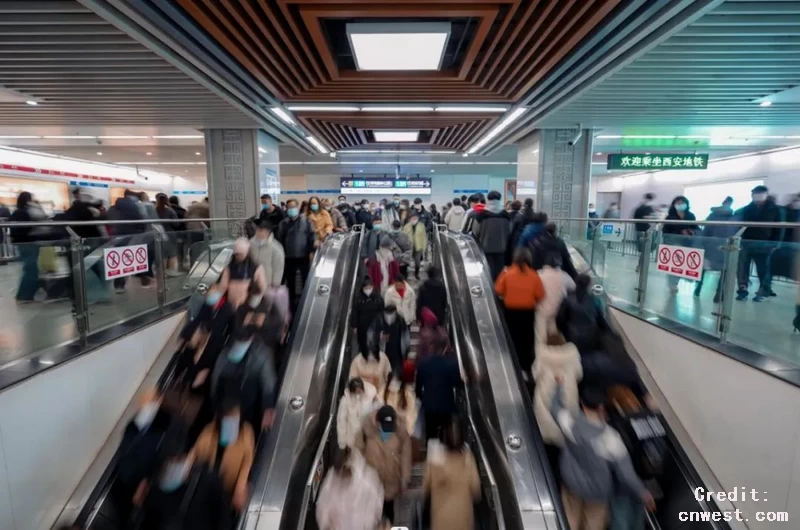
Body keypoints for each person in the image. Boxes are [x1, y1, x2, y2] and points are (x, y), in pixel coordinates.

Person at [550, 382, 655, 530]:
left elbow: (554, 406)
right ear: (601, 407)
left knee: (570, 517)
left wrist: (559, 386)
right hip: (597, 491)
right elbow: (626, 474)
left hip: (571, 482)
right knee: (594, 524)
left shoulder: (569, 421)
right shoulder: (610, 438)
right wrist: (643, 493)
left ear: (582, 403)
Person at [139, 428, 230, 530]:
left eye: (179, 459)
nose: (174, 465)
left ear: (189, 456)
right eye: (170, 461)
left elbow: (223, 519)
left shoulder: (208, 480)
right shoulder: (156, 488)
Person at [112, 389, 172, 523]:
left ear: (159, 402)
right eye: (142, 404)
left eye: (149, 402)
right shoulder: (133, 424)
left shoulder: (167, 425)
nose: (145, 407)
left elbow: (165, 456)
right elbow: (124, 450)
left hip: (149, 486)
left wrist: (146, 482)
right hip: (126, 481)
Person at [192, 392, 255, 512]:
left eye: (235, 416)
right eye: (229, 416)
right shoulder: (209, 431)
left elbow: (248, 459)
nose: (232, 420)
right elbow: (196, 452)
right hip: (211, 487)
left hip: (231, 487)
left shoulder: (246, 432)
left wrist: (240, 487)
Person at [533, 332, 582, 480]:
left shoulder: (543, 355)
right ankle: (562, 478)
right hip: (566, 415)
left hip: (545, 414)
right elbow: (579, 375)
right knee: (564, 451)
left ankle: (543, 477)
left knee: (544, 450)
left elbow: (535, 374)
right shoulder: (572, 355)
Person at [211, 322, 277, 432]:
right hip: (228, 402)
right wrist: (214, 404)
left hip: (249, 403)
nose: (240, 345)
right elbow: (216, 377)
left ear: (252, 338)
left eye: (244, 341)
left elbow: (268, 383)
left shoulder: (262, 354)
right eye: (238, 341)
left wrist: (268, 407)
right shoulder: (226, 351)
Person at [355, 405, 412, 526]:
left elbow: (406, 456)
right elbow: (357, 453)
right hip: (372, 481)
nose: (388, 430)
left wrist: (405, 480)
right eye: (385, 427)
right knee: (372, 513)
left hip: (391, 478)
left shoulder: (401, 431)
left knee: (389, 509)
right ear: (376, 422)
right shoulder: (365, 430)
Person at [423, 418, 481, 530]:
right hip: (463, 516)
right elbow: (475, 489)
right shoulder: (468, 458)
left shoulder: (434, 457)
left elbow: (426, 486)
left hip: (441, 516)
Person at [495, 248, 545, 375]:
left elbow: (498, 290)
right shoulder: (534, 275)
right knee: (526, 340)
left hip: (510, 312)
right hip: (528, 313)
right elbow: (540, 295)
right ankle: (525, 368)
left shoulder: (507, 273)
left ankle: (510, 364)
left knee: (511, 338)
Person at [315, 447, 384, 530]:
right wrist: (327, 525)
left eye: (345, 470)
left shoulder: (369, 481)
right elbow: (322, 507)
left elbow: (376, 508)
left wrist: (368, 524)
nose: (342, 474)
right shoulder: (331, 480)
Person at [736, 185, 782, 302]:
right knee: (742, 268)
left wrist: (775, 244)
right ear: (752, 195)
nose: (758, 196)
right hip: (746, 242)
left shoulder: (775, 209)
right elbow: (741, 225)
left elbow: (779, 228)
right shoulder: (746, 209)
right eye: (755, 193)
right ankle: (742, 290)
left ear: (766, 195)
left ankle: (763, 292)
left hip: (765, 243)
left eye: (761, 193)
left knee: (763, 269)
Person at [416, 333, 461, 441]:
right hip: (446, 407)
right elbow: (458, 383)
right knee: (447, 436)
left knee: (430, 436)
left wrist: (423, 399)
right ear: (445, 347)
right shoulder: (452, 364)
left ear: (433, 347)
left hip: (429, 407)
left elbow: (417, 387)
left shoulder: (423, 363)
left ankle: (431, 454)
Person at [106, 189, 152, 292]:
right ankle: (144, 281)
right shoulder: (135, 206)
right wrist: (141, 230)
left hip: (116, 235)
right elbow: (142, 220)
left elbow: (108, 219)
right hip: (133, 235)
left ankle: (119, 285)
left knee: (119, 260)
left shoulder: (113, 207)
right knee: (136, 259)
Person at [694, 197, 737, 301]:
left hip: (710, 244)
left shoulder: (712, 215)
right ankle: (719, 293)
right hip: (724, 245)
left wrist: (702, 244)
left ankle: (698, 288)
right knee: (724, 270)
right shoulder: (732, 216)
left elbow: (706, 230)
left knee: (704, 268)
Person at [557, 274, 608, 354]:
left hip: (572, 337)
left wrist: (564, 331)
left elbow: (560, 320)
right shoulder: (594, 301)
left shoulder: (568, 299)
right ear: (588, 286)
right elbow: (601, 322)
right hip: (590, 338)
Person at [278, 199, 315, 302]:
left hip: (304, 256)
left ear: (298, 208)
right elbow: (280, 239)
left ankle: (305, 301)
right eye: (289, 207)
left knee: (305, 280)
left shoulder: (307, 221)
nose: (291, 210)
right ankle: (291, 303)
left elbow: (312, 236)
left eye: (293, 207)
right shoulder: (283, 223)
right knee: (290, 282)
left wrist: (311, 251)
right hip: (289, 257)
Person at [519, 214, 579, 279]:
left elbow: (534, 257)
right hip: (557, 271)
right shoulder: (559, 242)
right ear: (555, 231)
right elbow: (566, 258)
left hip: (539, 271)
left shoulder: (537, 240)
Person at [472, 190, 512, 281]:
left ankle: (489, 293)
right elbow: (510, 232)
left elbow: (475, 232)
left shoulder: (481, 215)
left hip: (485, 249)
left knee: (487, 274)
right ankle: (498, 293)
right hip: (502, 249)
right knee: (500, 275)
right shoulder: (506, 215)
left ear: (488, 200)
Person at [663, 195, 699, 293]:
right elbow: (665, 231)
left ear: (686, 205)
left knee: (681, 265)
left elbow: (695, 228)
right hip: (673, 244)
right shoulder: (670, 217)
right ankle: (672, 283)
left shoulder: (691, 216)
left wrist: (691, 232)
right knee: (674, 264)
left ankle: (676, 281)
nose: (680, 205)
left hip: (686, 243)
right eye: (678, 203)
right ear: (674, 205)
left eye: (682, 203)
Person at [536, 251, 577, 337]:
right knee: (555, 334)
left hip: (541, 313)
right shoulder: (564, 276)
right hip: (559, 313)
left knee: (541, 335)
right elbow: (574, 288)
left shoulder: (538, 274)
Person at [218, 238, 266, 309]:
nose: (239, 257)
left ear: (247, 253)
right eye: (237, 254)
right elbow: (223, 286)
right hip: (231, 303)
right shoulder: (229, 267)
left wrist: (255, 303)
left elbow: (262, 286)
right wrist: (216, 299)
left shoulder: (256, 267)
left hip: (247, 304)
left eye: (241, 254)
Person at [367, 304, 411, 377]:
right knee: (383, 377)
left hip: (397, 355)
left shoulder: (400, 320)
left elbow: (406, 337)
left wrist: (406, 352)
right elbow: (370, 336)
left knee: (396, 378)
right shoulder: (378, 320)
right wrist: (379, 336)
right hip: (382, 354)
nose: (390, 316)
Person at [336, 377, 380, 449]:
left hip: (367, 436)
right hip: (353, 438)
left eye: (360, 391)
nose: (358, 394)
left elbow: (378, 410)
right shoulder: (345, 401)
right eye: (356, 392)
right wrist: (342, 441)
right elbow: (341, 421)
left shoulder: (370, 397)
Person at [352, 276, 384, 357]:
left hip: (375, 325)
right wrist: (355, 325)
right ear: (363, 288)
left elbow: (382, 311)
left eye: (370, 287)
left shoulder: (378, 298)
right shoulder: (359, 298)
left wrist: (382, 327)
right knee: (363, 344)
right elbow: (355, 312)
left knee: (374, 344)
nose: (368, 290)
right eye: (366, 288)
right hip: (362, 325)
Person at [249, 220, 285, 288]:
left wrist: (275, 285)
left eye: (261, 231)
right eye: (258, 230)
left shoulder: (276, 248)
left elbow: (278, 268)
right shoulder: (251, 243)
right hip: (252, 282)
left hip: (268, 283)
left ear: (268, 232)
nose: (259, 233)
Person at [382, 371, 417, 436]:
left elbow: (411, 413)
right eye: (392, 381)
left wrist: (408, 430)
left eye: (396, 381)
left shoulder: (407, 394)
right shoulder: (384, 392)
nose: (394, 384)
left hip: (403, 427)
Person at [155, 193, 182, 276]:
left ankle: (162, 274)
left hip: (158, 235)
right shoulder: (170, 210)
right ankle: (170, 272)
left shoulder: (154, 210)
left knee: (162, 256)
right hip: (170, 235)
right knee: (172, 255)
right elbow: (176, 224)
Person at [403, 210, 427, 279]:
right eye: (412, 218)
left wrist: (424, 248)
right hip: (409, 247)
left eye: (415, 218)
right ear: (410, 219)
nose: (414, 219)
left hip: (418, 247)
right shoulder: (406, 226)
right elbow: (404, 237)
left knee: (417, 263)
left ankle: (416, 273)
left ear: (417, 218)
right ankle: (405, 274)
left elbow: (424, 237)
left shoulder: (421, 226)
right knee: (406, 262)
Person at [186, 197, 210, 265]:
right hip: (202, 231)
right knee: (203, 250)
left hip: (191, 230)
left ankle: (192, 264)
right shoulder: (208, 207)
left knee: (193, 249)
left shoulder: (193, 206)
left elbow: (186, 216)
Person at [633, 193, 656, 259]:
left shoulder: (639, 207)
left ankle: (642, 250)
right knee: (646, 240)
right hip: (644, 226)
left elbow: (634, 217)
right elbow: (650, 216)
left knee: (640, 239)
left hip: (639, 226)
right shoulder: (648, 207)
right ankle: (646, 250)